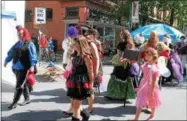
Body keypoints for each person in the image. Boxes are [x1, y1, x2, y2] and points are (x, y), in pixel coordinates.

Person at [4, 27, 37, 109]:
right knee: (23, 84)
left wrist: (32, 66)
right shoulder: (17, 44)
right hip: (15, 68)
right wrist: (6, 61)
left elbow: (33, 56)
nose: (19, 35)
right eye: (18, 34)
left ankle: (14, 102)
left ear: (24, 34)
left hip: (24, 68)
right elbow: (11, 53)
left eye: (21, 34)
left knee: (18, 85)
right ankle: (27, 98)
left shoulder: (30, 44)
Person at [66, 36, 94, 121]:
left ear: (80, 45)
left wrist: (91, 85)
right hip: (74, 81)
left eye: (75, 44)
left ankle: (76, 117)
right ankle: (85, 115)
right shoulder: (75, 54)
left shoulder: (85, 57)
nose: (73, 45)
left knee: (76, 104)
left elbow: (90, 71)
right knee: (74, 103)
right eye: (73, 44)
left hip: (81, 82)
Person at [130, 47, 161, 121]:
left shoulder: (154, 67)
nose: (146, 56)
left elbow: (153, 81)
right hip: (144, 84)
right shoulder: (146, 63)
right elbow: (142, 70)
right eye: (146, 54)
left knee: (152, 101)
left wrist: (152, 92)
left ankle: (152, 115)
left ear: (153, 56)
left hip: (151, 86)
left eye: (148, 55)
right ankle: (136, 118)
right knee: (140, 101)